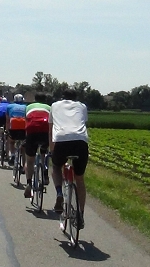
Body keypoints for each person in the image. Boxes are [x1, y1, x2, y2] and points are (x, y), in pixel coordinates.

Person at [49, 88, 89, 229]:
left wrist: (51, 148)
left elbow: (51, 128)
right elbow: (83, 121)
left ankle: (59, 192)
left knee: (56, 166)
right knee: (79, 178)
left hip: (61, 140)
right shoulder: (82, 106)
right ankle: (80, 215)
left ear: (62, 97)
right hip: (80, 141)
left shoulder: (54, 105)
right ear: (76, 98)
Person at [23, 92, 51, 198]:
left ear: (35, 99)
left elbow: (27, 122)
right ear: (45, 99)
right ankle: (45, 173)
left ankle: (29, 183)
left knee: (29, 160)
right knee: (44, 153)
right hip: (45, 133)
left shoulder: (29, 106)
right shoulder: (49, 107)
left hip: (32, 132)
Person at [6, 94, 26, 168]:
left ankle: (13, 155)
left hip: (13, 125)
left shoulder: (9, 106)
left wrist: (7, 131)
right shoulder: (26, 107)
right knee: (23, 149)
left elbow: (7, 121)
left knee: (11, 142)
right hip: (23, 127)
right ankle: (24, 166)